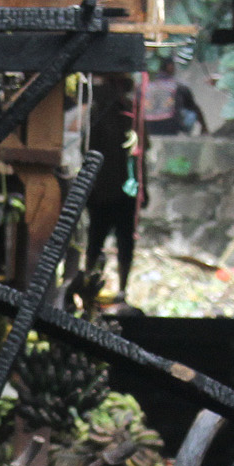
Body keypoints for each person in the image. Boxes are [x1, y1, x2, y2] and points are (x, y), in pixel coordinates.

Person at [83, 75, 142, 303]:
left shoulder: (131, 115)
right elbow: (89, 150)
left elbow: (139, 155)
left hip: (124, 192)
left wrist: (142, 189)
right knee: (96, 241)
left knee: (124, 242)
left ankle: (122, 290)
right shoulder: (97, 113)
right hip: (102, 191)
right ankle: (89, 287)